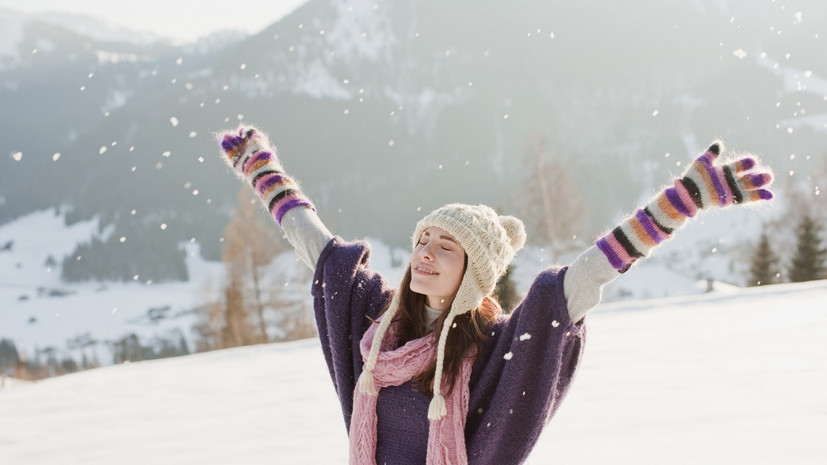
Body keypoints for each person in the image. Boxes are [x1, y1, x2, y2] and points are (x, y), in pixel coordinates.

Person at [219, 126, 774, 465]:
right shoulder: (379, 323)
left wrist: (676, 206)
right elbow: (320, 250)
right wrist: (264, 172)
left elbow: (579, 283)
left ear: (473, 277)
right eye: (423, 240)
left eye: (447, 249)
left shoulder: (492, 347)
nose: (425, 255)